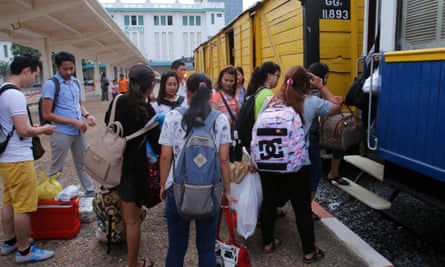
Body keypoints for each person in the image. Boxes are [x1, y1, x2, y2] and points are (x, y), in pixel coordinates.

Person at [257, 66, 341, 264]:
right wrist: (320, 85)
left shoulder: (270, 101)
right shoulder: (310, 101)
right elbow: (336, 106)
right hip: (297, 164)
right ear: (306, 83)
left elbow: (257, 125)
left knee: (268, 202)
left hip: (270, 162)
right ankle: (309, 252)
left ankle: (268, 243)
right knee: (302, 208)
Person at [159, 72, 232, 267]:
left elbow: (165, 156)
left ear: (187, 92)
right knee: (207, 247)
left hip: (177, 187)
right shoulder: (220, 120)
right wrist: (227, 190)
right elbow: (224, 159)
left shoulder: (173, 117)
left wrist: (162, 184)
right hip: (210, 189)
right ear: (210, 94)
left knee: (176, 248)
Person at [0, 55, 56, 263]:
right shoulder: (15, 96)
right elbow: (23, 129)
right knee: (23, 206)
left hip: (5, 158)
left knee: (9, 201)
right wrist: (45, 129)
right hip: (18, 158)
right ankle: (24, 251)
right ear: (26, 70)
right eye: (35, 74)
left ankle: (10, 241)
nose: (34, 79)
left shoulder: (2, 90)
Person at [104, 64, 161, 267]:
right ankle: (133, 263)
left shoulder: (117, 100)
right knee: (132, 221)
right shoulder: (147, 110)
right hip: (133, 172)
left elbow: (107, 122)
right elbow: (158, 144)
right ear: (151, 85)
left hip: (111, 167)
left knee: (124, 213)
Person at [41, 51, 96, 197]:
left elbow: (78, 104)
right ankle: (50, 196)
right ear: (57, 67)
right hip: (61, 131)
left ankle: (90, 192)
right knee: (56, 167)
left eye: (71, 68)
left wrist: (87, 115)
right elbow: (47, 114)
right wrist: (73, 122)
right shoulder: (51, 84)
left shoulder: (76, 82)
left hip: (78, 132)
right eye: (65, 69)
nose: (69, 72)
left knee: (83, 163)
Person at [306, 63, 348, 211]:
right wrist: (324, 89)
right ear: (320, 78)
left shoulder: (303, 90)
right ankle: (307, 208)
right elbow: (335, 107)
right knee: (315, 173)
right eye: (326, 78)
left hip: (304, 137)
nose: (327, 81)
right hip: (310, 138)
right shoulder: (315, 92)